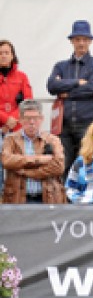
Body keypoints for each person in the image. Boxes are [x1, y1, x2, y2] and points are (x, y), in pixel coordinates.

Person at [47, 20, 93, 182]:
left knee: (87, 166)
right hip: (64, 125)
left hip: (89, 125)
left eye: (84, 39)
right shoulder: (60, 66)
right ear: (72, 41)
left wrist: (65, 90)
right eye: (77, 39)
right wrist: (77, 82)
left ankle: (85, 205)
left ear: (90, 41)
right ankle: (65, 204)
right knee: (63, 166)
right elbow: (52, 86)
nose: (81, 43)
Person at [1, 99, 65, 204]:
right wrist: (38, 159)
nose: (31, 122)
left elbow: (59, 166)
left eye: (35, 118)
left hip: (47, 198)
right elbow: (6, 160)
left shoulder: (52, 139)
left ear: (42, 119)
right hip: (17, 198)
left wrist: (28, 172)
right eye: (27, 118)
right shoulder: (10, 139)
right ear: (20, 119)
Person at [0, 40, 33, 196]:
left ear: (13, 55)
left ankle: (18, 197)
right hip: (3, 126)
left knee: (19, 164)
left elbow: (28, 102)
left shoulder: (22, 77)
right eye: (0, 53)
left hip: (17, 129)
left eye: (7, 52)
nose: (3, 56)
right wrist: (5, 120)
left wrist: (12, 121)